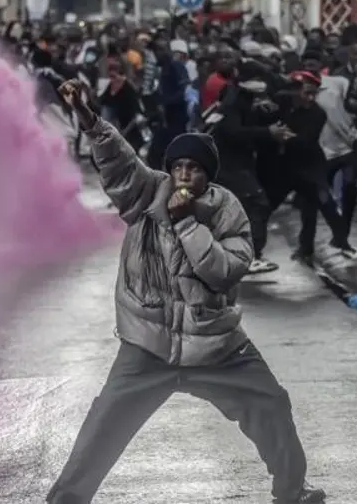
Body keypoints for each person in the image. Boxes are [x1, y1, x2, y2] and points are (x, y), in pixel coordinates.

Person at [46, 79, 326, 504]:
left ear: (206, 175)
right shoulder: (148, 193)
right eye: (177, 167)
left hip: (215, 344)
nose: (183, 175)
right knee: (104, 422)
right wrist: (88, 118)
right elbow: (118, 162)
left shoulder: (226, 209)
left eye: (193, 169)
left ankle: (292, 491)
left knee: (271, 403)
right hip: (148, 343)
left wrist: (187, 224)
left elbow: (225, 272)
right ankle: (65, 499)